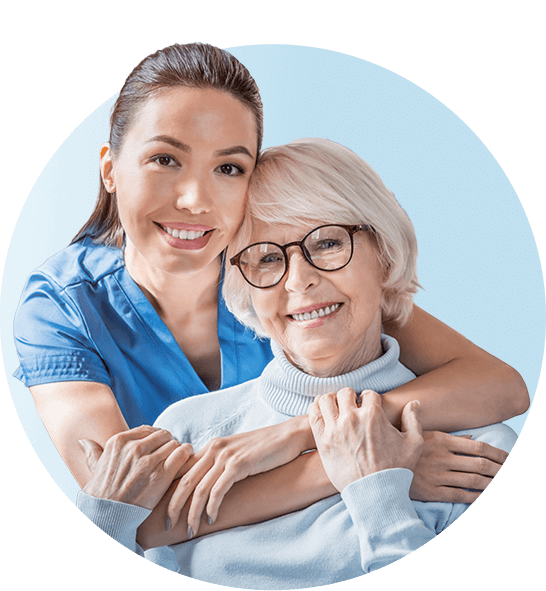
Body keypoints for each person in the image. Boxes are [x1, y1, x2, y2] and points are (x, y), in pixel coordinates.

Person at [14, 44, 526, 523]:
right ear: (110, 169)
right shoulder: (61, 308)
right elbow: (139, 515)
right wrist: (372, 465)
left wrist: (300, 433)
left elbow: (500, 385)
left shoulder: (281, 272)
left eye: (229, 167)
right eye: (165, 159)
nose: (195, 199)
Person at [77, 139, 519, 586]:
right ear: (242, 283)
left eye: (327, 242)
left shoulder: (474, 449)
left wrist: (378, 494)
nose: (300, 280)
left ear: (384, 255)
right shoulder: (190, 431)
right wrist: (105, 514)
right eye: (267, 257)